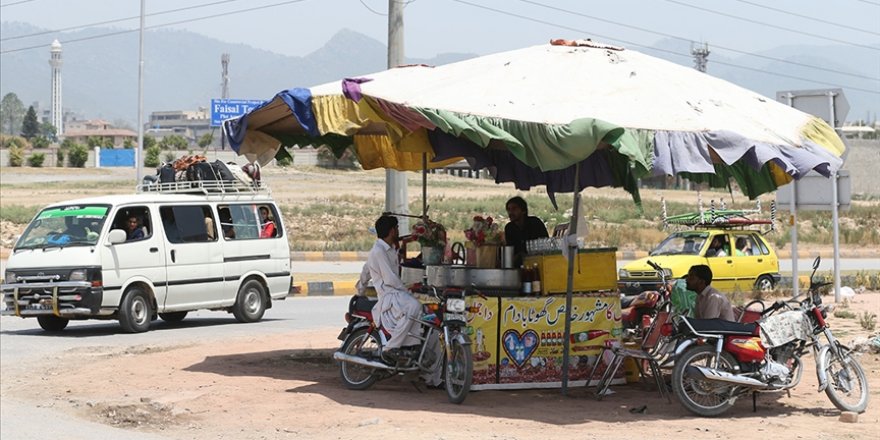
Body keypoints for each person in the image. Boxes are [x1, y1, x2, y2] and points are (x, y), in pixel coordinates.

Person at [356, 215, 424, 361]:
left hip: (395, 293)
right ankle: (391, 347)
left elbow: (366, 270)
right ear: (392, 231)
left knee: (423, 313)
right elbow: (390, 278)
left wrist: (360, 288)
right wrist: (407, 289)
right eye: (397, 228)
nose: (399, 231)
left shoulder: (388, 249)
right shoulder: (379, 251)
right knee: (414, 306)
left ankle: (411, 347)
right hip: (389, 296)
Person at [504, 196, 548, 265]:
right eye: (509, 210)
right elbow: (511, 250)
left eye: (514, 209)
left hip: (538, 262)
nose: (510, 212)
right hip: (519, 265)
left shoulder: (535, 223)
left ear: (523, 210)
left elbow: (545, 244)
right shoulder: (509, 228)